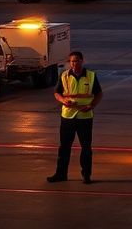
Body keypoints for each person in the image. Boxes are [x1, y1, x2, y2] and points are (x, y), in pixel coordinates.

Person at [47, 51, 103, 184]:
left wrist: (91, 106)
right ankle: (61, 174)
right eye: (72, 61)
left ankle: (86, 174)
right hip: (68, 117)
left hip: (85, 116)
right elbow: (57, 93)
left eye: (76, 61)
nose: (74, 64)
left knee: (86, 147)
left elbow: (99, 94)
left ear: (82, 61)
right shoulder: (64, 75)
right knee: (64, 147)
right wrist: (63, 100)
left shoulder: (91, 76)